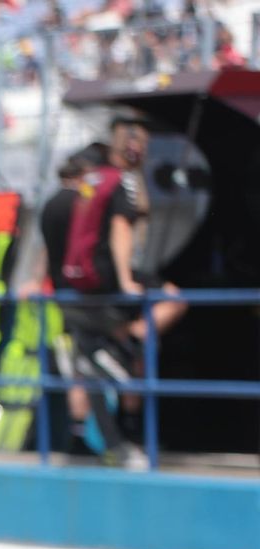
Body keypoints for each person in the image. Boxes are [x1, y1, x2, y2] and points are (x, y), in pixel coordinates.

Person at [58, 115, 187, 468]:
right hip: (106, 286)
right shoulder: (119, 182)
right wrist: (126, 280)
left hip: (80, 286)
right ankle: (120, 439)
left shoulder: (93, 184)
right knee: (171, 304)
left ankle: (110, 438)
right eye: (139, 143)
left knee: (91, 369)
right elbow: (120, 231)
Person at [18, 145, 106, 457]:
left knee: (70, 369)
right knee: (79, 370)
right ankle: (81, 436)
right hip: (78, 299)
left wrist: (36, 279)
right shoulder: (80, 203)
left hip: (58, 298)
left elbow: (46, 250)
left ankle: (69, 434)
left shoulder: (52, 203)